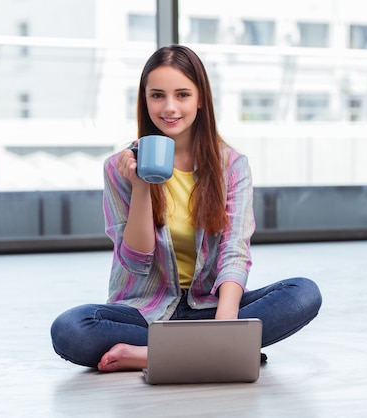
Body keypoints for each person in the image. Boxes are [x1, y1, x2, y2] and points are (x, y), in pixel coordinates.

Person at [50, 44, 322, 372]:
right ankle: (218, 352)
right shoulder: (118, 168)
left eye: (182, 95)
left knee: (303, 293)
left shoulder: (232, 166)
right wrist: (141, 185)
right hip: (144, 313)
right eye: (157, 95)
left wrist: (225, 325)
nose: (169, 107)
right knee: (71, 329)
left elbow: (235, 253)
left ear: (200, 99)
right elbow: (136, 262)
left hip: (210, 307)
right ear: (144, 99)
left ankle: (157, 354)